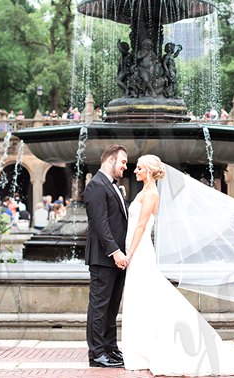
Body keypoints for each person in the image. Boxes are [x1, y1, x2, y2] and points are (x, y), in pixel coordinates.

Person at [121, 154, 234, 374]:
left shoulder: (150, 194)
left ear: (149, 171)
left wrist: (129, 253)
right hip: (138, 250)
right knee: (142, 295)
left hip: (139, 251)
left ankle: (151, 347)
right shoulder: (146, 191)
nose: (135, 171)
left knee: (147, 294)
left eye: (139, 168)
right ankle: (142, 348)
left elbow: (141, 227)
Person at [84, 144, 129, 368]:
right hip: (103, 258)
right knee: (99, 307)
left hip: (118, 260)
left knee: (112, 307)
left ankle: (111, 348)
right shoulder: (95, 185)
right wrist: (115, 252)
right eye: (122, 162)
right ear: (110, 160)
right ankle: (97, 353)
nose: (125, 167)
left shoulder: (114, 187)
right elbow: (101, 225)